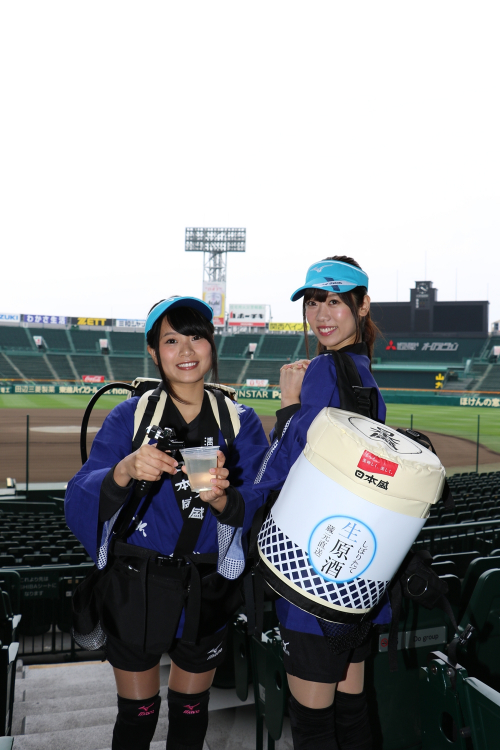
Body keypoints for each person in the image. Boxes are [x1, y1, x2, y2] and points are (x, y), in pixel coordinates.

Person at [65, 295, 269, 750]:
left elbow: (263, 495)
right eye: (172, 339)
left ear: (212, 345)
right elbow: (80, 490)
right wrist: (124, 470)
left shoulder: (240, 421)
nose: (187, 350)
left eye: (197, 336)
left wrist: (225, 501)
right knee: (136, 719)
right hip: (135, 585)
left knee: (191, 717)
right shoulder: (129, 416)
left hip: (209, 587)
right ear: (154, 351)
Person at [254, 256, 390, 750]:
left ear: (361, 305)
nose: (321, 314)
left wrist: (288, 406)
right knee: (351, 711)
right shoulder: (362, 369)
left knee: (313, 726)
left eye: (334, 301)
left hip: (313, 570)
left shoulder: (323, 370)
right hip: (358, 572)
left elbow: (287, 469)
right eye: (314, 302)